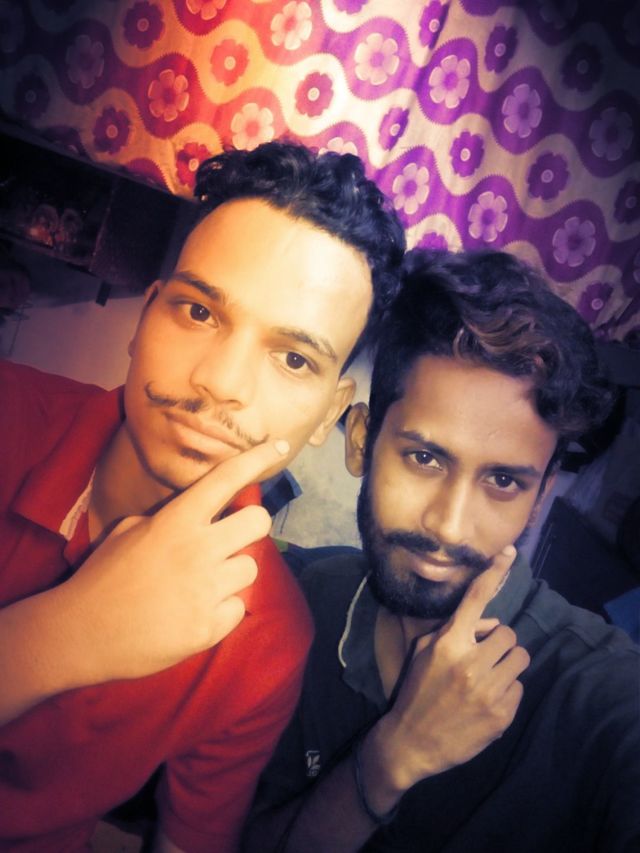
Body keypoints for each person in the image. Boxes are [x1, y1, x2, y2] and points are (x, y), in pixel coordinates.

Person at [0, 141, 405, 852]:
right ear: (145, 317)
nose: (222, 380)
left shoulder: (266, 640)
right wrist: (66, 635)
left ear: (329, 413)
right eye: (197, 312)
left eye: (293, 358)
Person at [243, 248, 640, 853]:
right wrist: (391, 758)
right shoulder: (293, 603)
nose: (449, 527)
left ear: (540, 497)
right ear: (361, 442)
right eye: (425, 458)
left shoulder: (601, 693)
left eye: (502, 481)